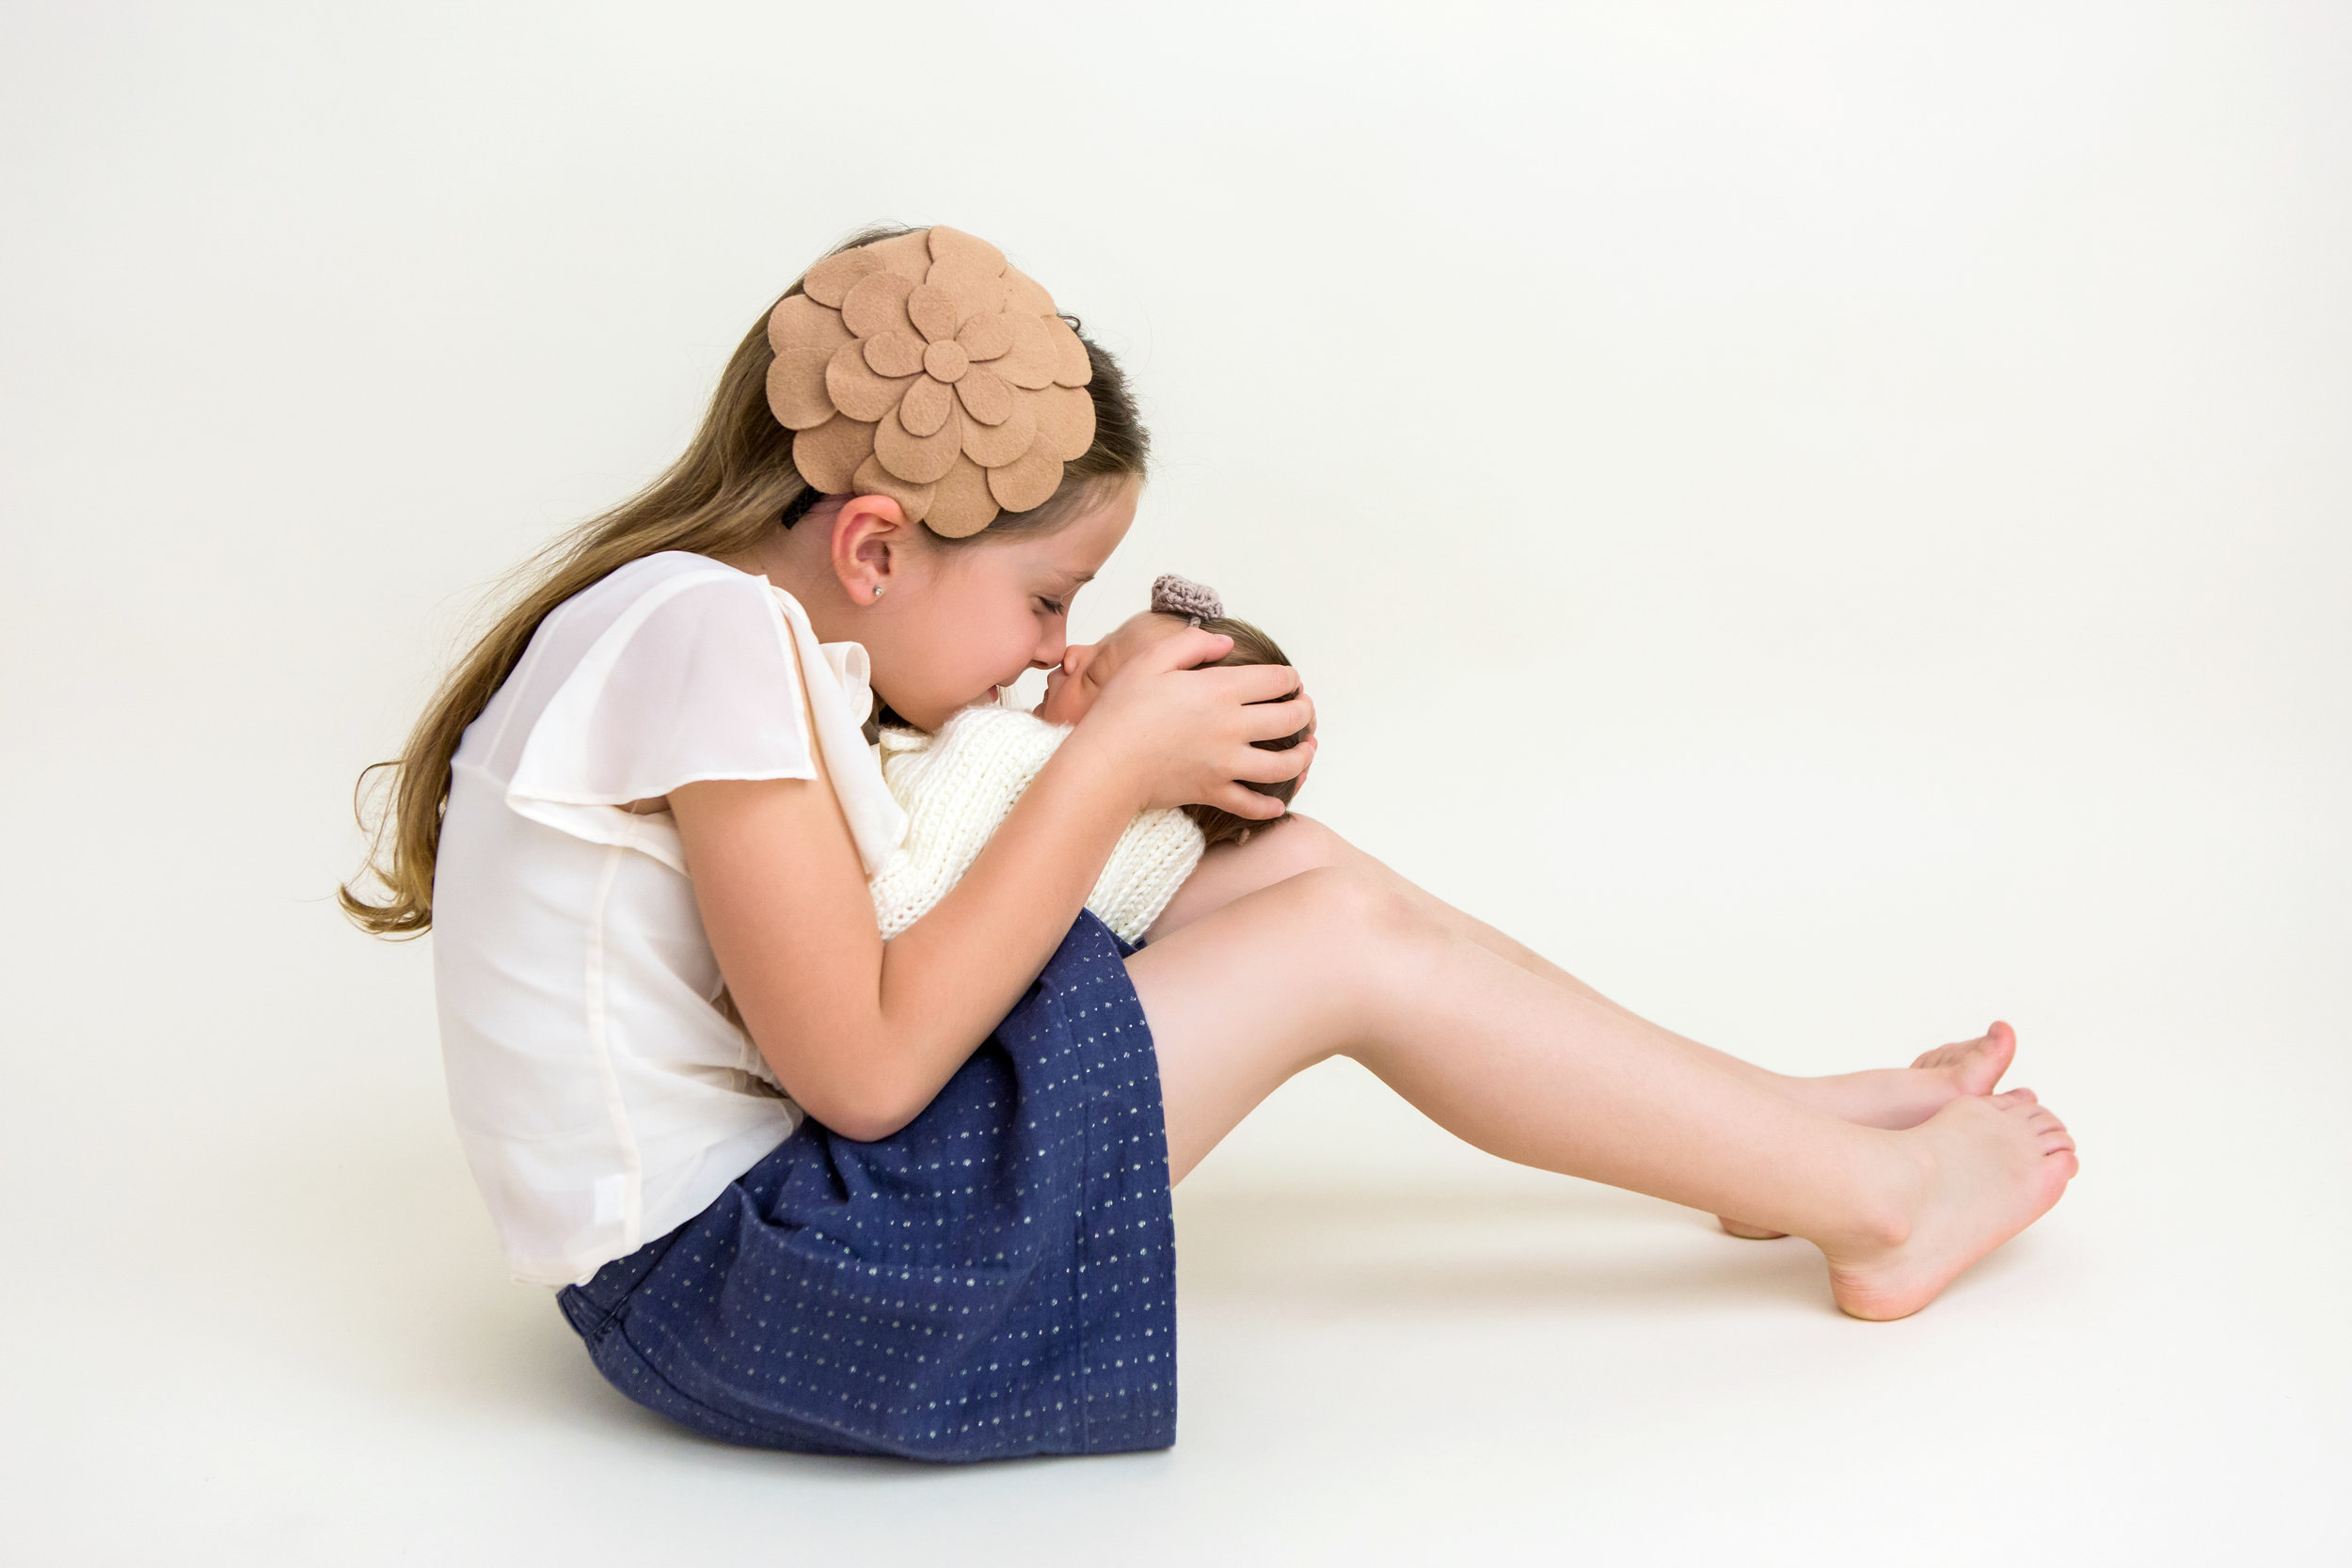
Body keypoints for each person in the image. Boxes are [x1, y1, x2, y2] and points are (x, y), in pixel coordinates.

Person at [342, 224, 2075, 1463]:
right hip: (758, 1291)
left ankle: (1758, 1138)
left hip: (773, 1257)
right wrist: (1096, 774)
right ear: (872, 546)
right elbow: (863, 1071)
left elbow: (904, 918)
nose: (1045, 645)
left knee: (1313, 887)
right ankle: (1878, 1200)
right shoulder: (711, 643)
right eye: (1042, 596)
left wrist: (1155, 766)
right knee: (1333, 949)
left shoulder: (720, 631)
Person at [865, 576, 1307, 947]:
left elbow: (897, 899)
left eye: (1095, 673)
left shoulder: (1006, 744)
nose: (1071, 653)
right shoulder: (1173, 857)